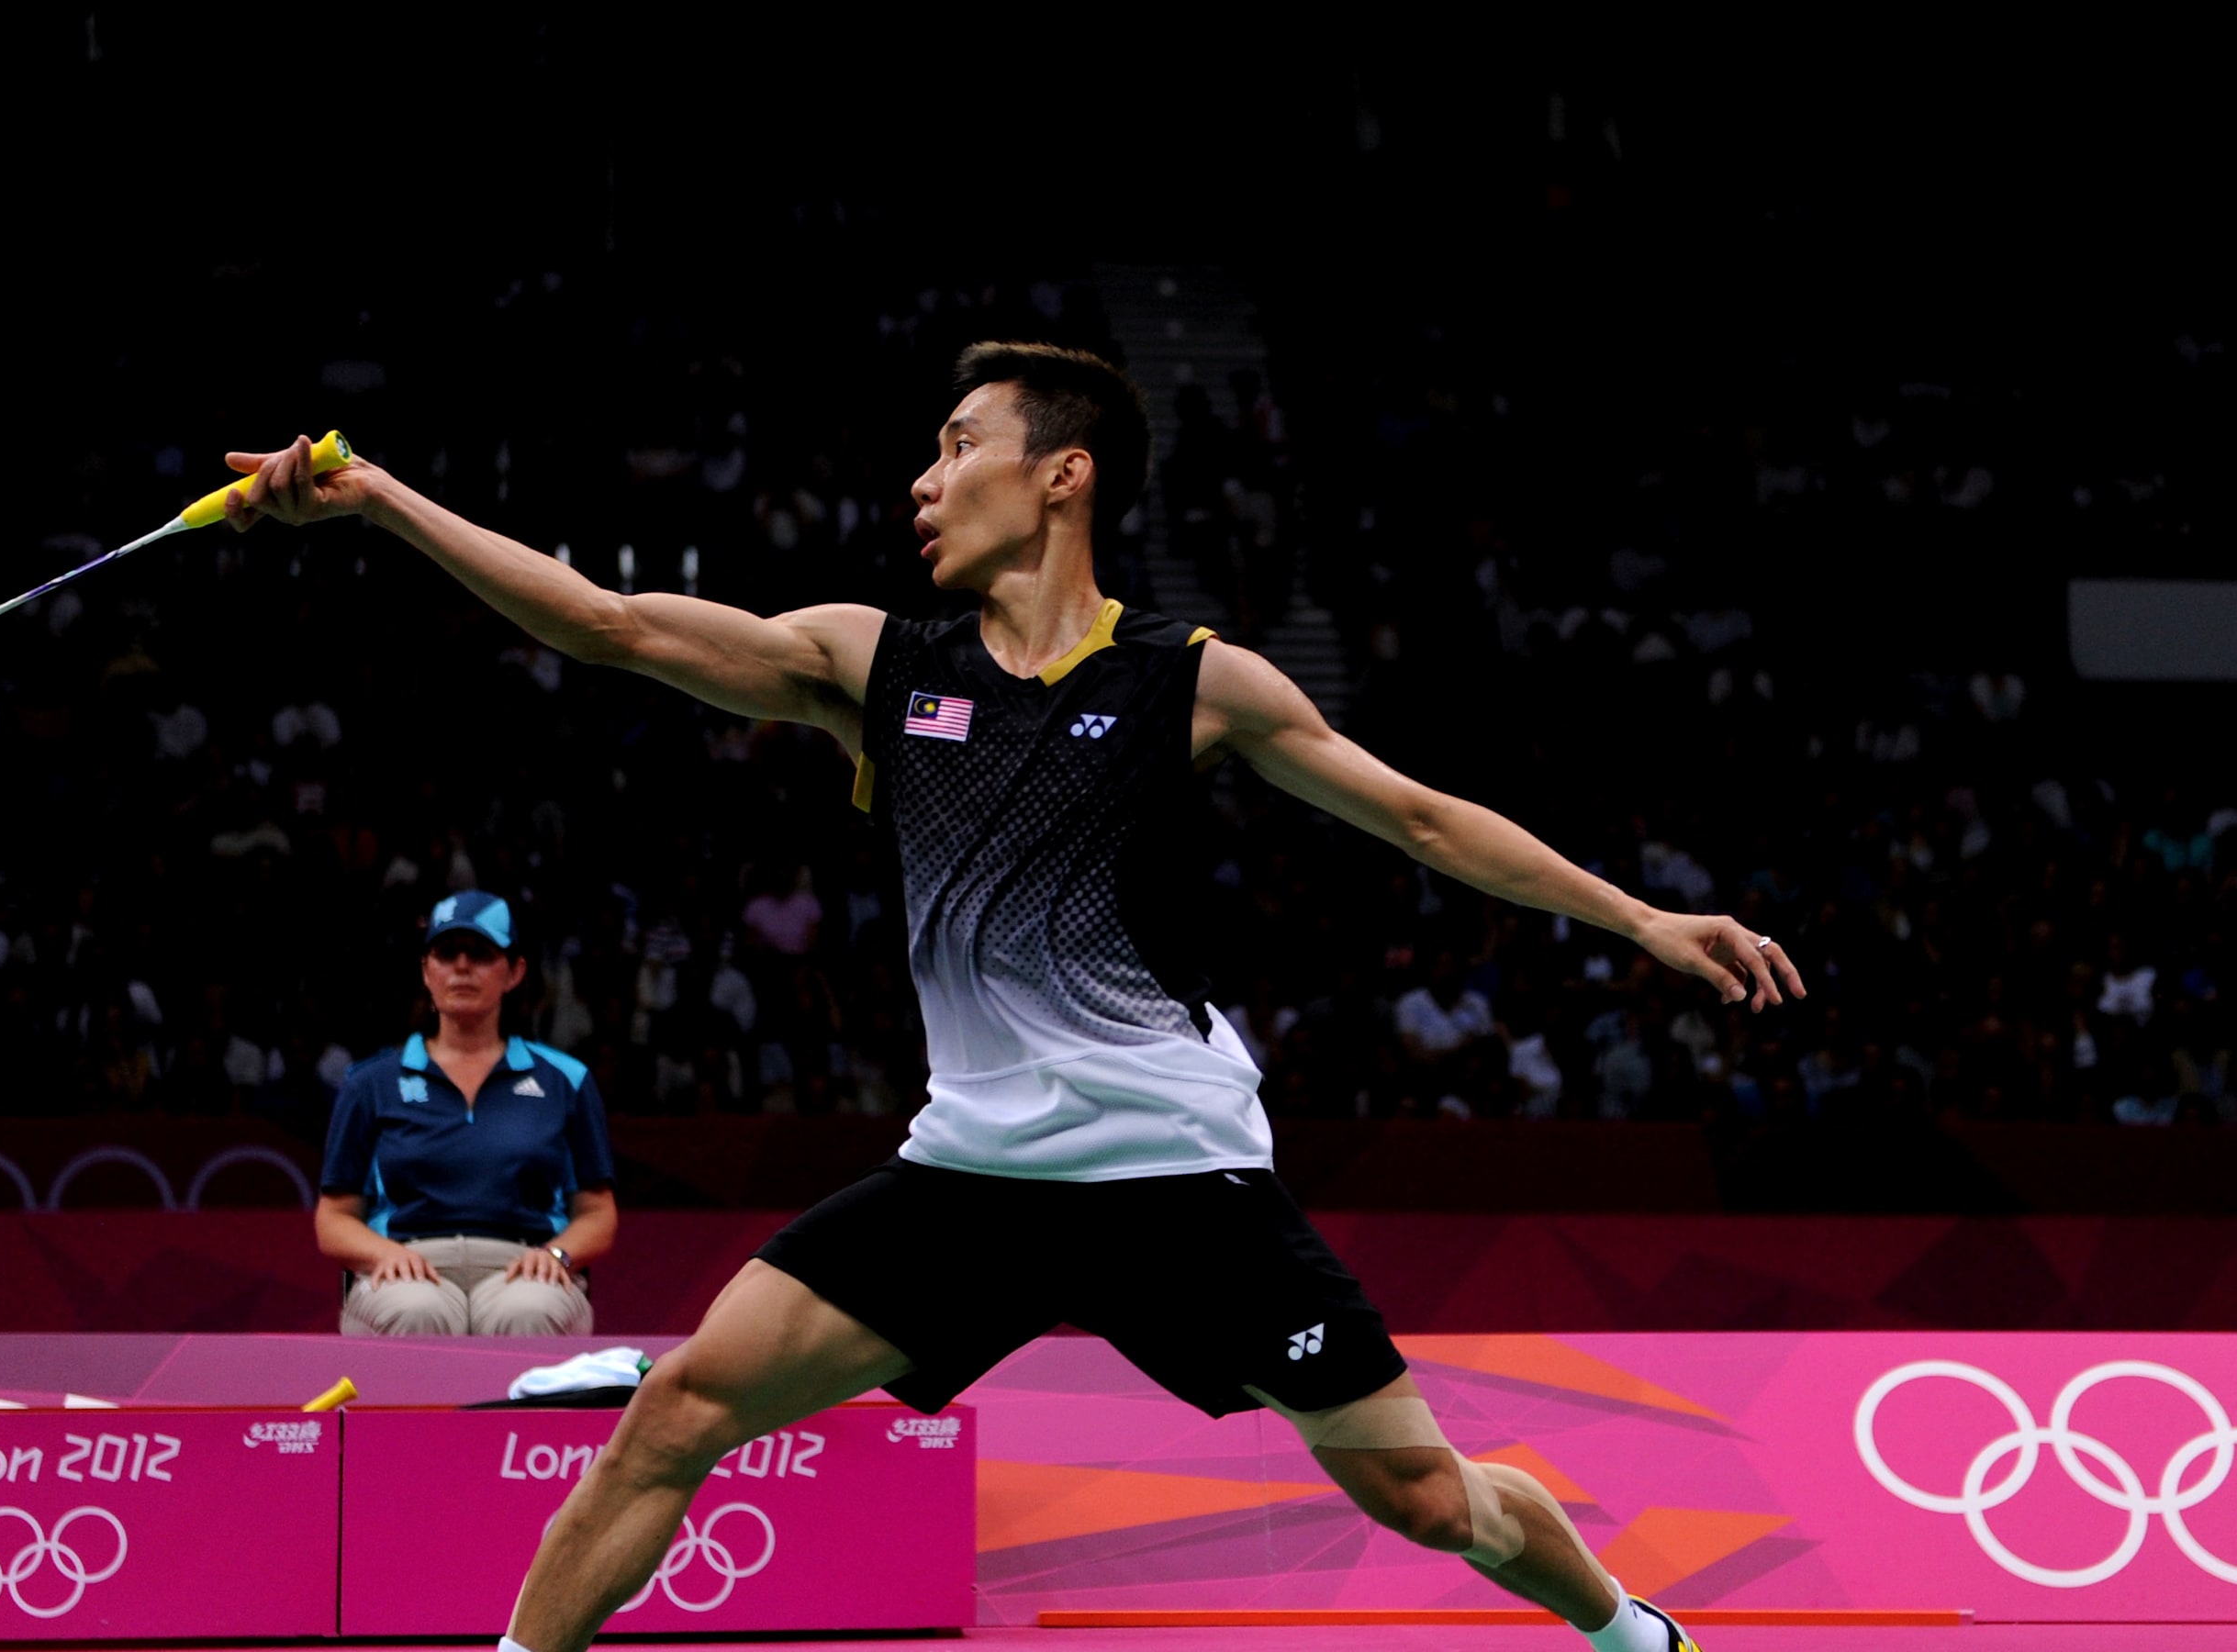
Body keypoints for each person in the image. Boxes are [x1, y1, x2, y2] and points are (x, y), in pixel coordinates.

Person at [229, 342, 1799, 1652]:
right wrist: (380, 501)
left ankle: (1627, 1633)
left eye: (959, 445)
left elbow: (1427, 822)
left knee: (1431, 1502)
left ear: (1065, 475)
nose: (924, 480)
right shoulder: (878, 665)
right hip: (971, 1176)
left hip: (1179, 1178)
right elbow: (613, 625)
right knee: (679, 1410)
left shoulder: (1195, 682)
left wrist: (1640, 917)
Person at [318, 890, 619, 1336]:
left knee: (529, 1312)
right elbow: (334, 1218)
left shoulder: (565, 1080)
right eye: (446, 953)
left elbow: (597, 1213)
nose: (462, 966)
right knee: (415, 1311)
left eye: (480, 953)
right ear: (427, 971)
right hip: (407, 1263)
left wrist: (557, 1256)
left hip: (525, 1265)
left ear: (514, 972)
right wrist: (383, 1254)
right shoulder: (370, 1083)